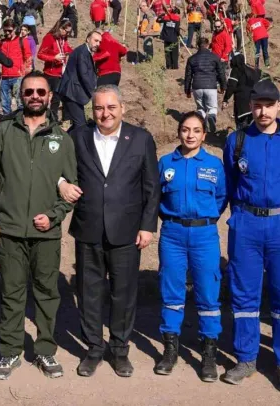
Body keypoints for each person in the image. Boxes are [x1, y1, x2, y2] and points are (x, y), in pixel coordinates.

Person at [0, 71, 77, 380]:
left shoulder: (62, 139)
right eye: (29, 91)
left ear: (50, 96)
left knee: (47, 294)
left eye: (40, 92)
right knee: (12, 293)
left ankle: (45, 350)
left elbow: (72, 189)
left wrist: (55, 215)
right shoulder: (2, 132)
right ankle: (10, 351)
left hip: (46, 234)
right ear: (20, 95)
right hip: (9, 231)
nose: (35, 96)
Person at [56, 85, 159, 379]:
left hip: (127, 230)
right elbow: (58, 168)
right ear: (93, 110)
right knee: (88, 292)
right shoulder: (78, 137)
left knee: (123, 293)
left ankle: (119, 349)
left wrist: (147, 226)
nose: (105, 113)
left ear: (122, 108)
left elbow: (152, 187)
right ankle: (93, 349)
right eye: (99, 108)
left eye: (111, 107)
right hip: (88, 227)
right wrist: (62, 184)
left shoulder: (140, 139)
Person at [222, 80, 280, 393]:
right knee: (244, 294)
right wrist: (236, 218)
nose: (263, 111)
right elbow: (230, 183)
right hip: (247, 224)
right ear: (250, 106)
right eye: (258, 105)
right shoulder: (237, 140)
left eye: (269, 105)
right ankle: (246, 358)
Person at [154, 111, 227, 379]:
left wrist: (204, 218)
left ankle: (208, 354)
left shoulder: (214, 164)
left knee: (208, 293)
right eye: (185, 129)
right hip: (172, 234)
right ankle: (170, 350)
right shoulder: (165, 163)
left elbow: (221, 198)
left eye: (196, 130)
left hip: (204, 234)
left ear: (204, 135)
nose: (190, 135)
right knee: (171, 291)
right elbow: (156, 197)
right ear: (179, 132)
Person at [57, 30, 101, 129]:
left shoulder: (85, 51)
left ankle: (68, 137)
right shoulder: (82, 52)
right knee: (81, 124)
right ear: (88, 39)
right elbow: (83, 74)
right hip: (71, 92)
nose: (98, 44)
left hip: (74, 93)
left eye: (99, 42)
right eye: (96, 40)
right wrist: (94, 92)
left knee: (77, 124)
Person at [183, 37, 227, 135]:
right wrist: (223, 86)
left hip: (197, 86)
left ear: (198, 45)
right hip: (211, 85)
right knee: (212, 108)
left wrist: (187, 90)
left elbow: (188, 76)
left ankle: (202, 126)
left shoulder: (191, 59)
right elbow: (221, 73)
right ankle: (211, 117)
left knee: (200, 108)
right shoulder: (215, 57)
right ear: (208, 45)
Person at [37, 18, 72, 121]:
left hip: (61, 72)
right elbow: (40, 54)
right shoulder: (49, 37)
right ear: (60, 28)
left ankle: (56, 119)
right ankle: (46, 118)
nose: (67, 34)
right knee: (50, 97)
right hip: (51, 73)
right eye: (66, 31)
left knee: (59, 97)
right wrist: (54, 58)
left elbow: (67, 48)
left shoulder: (63, 38)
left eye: (69, 32)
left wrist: (74, 52)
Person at [0, 19, 32, 116]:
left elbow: (28, 57)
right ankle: (7, 121)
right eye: (5, 30)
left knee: (20, 102)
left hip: (18, 77)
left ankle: (21, 120)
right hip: (4, 77)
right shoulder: (1, 42)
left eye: (9, 30)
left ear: (15, 29)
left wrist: (24, 72)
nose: (7, 33)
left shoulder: (22, 41)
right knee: (5, 103)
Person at [223, 52, 261, 129]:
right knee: (252, 128)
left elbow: (231, 86)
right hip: (254, 104)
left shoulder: (236, 70)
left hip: (242, 105)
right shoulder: (252, 71)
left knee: (242, 129)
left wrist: (225, 99)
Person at [158, 5, 181, 69]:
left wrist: (161, 15)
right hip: (174, 38)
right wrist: (179, 35)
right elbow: (177, 29)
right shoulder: (177, 18)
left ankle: (168, 66)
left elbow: (158, 20)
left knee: (167, 52)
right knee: (174, 53)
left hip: (166, 37)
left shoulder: (166, 17)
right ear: (176, 12)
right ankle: (175, 66)